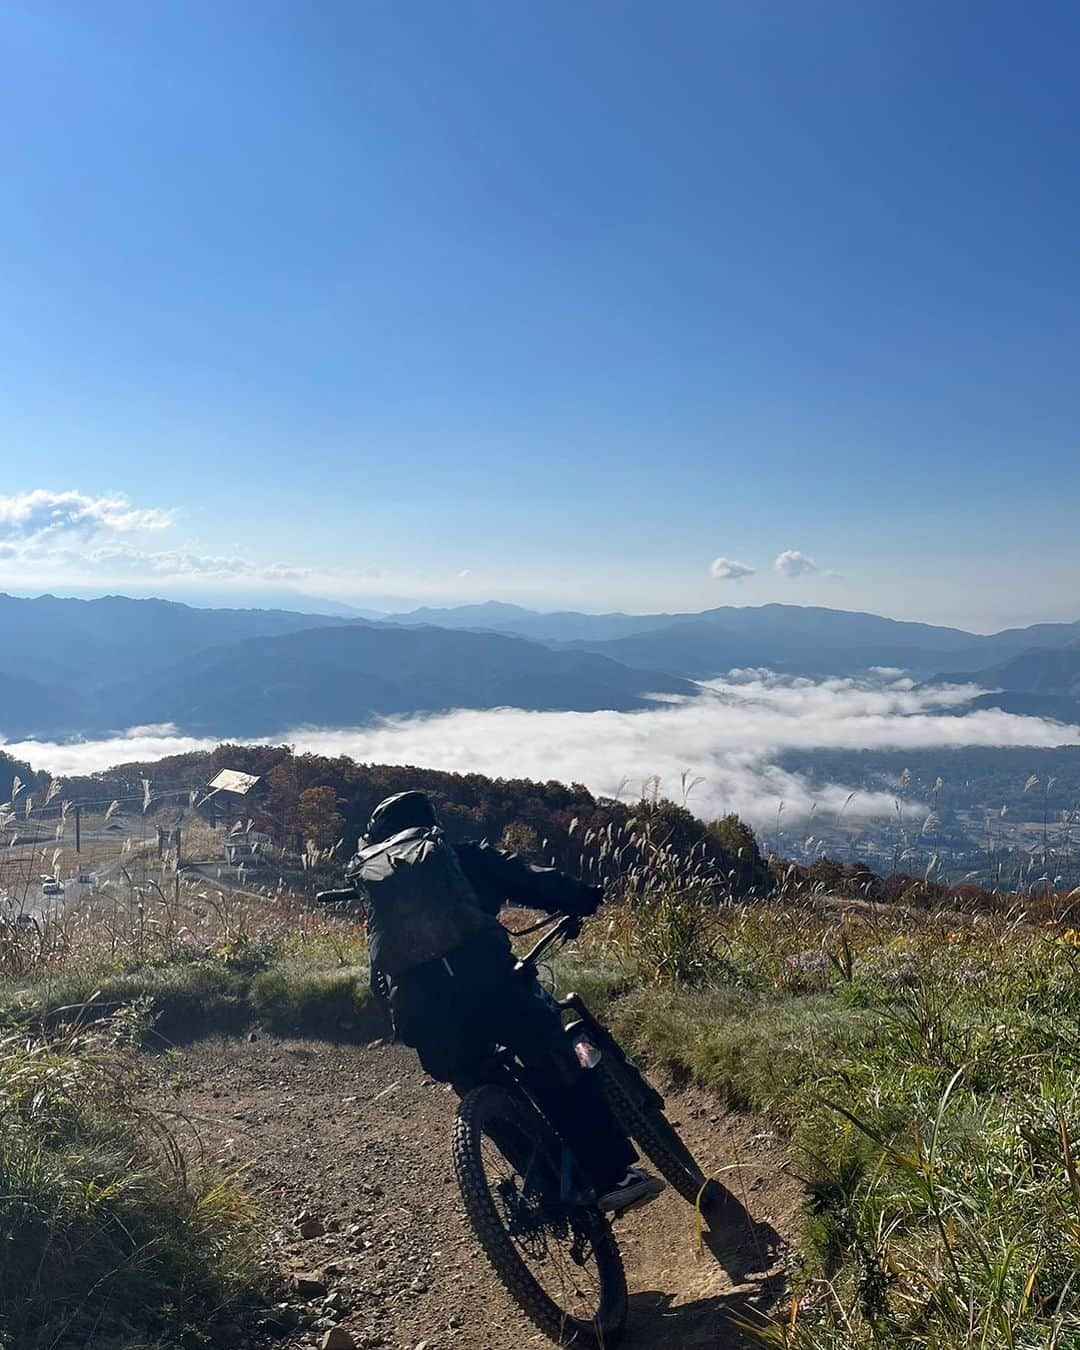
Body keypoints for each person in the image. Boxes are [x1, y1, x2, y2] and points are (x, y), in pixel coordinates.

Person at [348, 790, 663, 1215]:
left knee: (478, 1088)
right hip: (490, 986)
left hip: (421, 1014)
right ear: (429, 830)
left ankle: (545, 1189)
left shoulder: (376, 892)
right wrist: (581, 896)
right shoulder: (458, 858)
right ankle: (611, 1176)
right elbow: (532, 879)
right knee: (558, 1064)